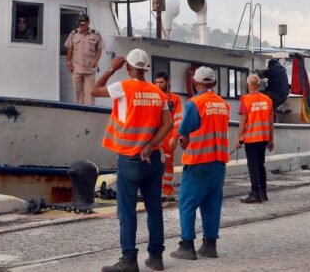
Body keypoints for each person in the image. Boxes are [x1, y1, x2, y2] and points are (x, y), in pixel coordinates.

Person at [88, 49, 173, 272]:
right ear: (146, 69)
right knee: (154, 208)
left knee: (127, 211)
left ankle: (128, 260)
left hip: (129, 158)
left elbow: (93, 90)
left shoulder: (124, 87)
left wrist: (110, 69)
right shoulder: (158, 93)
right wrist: (151, 145)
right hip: (153, 159)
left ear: (128, 67)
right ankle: (156, 258)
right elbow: (168, 124)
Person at [170, 66, 230, 261]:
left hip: (198, 162)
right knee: (212, 205)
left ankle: (187, 246)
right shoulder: (223, 105)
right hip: (219, 162)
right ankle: (210, 245)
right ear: (213, 83)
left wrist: (180, 139)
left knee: (187, 204)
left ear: (195, 83)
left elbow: (184, 130)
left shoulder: (195, 104)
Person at [234, 74, 274, 203]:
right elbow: (270, 122)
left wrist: (239, 138)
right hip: (263, 138)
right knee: (260, 165)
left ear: (247, 85)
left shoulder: (245, 100)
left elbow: (243, 120)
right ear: (258, 85)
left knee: (253, 166)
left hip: (251, 138)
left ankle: (255, 193)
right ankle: (263, 192)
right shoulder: (267, 100)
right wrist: (271, 140)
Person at [154, 71, 183, 201]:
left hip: (168, 137)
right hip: (154, 136)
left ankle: (167, 190)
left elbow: (178, 119)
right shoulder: (153, 97)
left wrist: (175, 136)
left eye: (161, 82)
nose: (159, 85)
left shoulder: (175, 99)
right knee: (153, 162)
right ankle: (155, 189)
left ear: (168, 82)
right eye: (157, 82)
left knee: (167, 164)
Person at [65, 13, 105, 105]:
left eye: (83, 23)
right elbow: (70, 48)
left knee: (90, 94)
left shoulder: (96, 34)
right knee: (77, 93)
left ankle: (89, 113)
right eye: (79, 24)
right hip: (77, 69)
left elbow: (99, 49)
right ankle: (78, 112)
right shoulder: (73, 34)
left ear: (88, 23)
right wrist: (68, 62)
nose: (81, 25)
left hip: (89, 70)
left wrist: (96, 60)